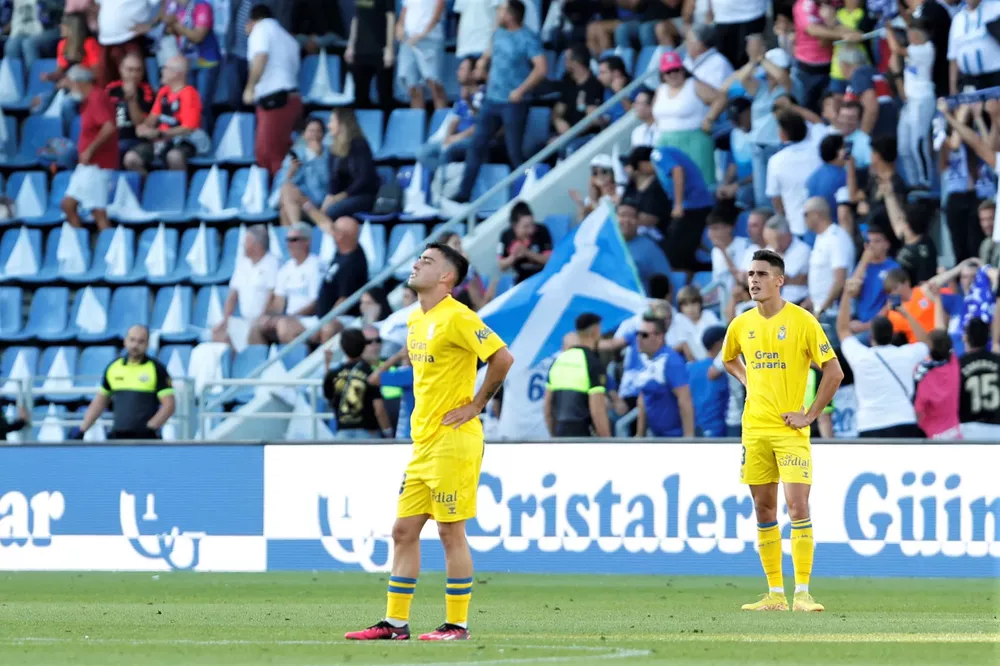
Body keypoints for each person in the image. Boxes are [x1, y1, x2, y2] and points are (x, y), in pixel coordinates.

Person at [345, 242, 514, 642]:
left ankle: (457, 625)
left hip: (454, 440)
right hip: (423, 443)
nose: (417, 263)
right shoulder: (417, 321)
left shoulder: (459, 316)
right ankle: (395, 624)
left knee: (450, 533)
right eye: (418, 258)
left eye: (428, 260)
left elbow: (502, 358)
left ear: (446, 277)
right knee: (403, 531)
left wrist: (476, 404)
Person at [722, 249, 844, 612]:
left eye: (761, 274)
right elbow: (729, 358)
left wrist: (809, 415)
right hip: (754, 429)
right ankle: (775, 594)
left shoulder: (803, 321)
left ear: (780, 280)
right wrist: (749, 381)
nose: (754, 280)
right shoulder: (740, 325)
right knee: (763, 508)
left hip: (790, 431)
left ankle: (803, 593)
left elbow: (834, 372)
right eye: (750, 274)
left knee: (797, 505)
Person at [448, 0, 547, 205]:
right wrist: (482, 64)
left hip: (513, 102)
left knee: (514, 151)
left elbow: (541, 69)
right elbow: (489, 52)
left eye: (502, 10)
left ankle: (529, 190)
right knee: (476, 145)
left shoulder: (527, 38)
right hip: (492, 100)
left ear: (511, 15)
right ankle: (463, 193)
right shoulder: (498, 33)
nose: (498, 13)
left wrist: (521, 90)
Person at [837, 279, 928, 437]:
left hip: (870, 425)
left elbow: (843, 330)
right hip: (903, 421)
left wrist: (846, 294)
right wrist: (905, 313)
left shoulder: (861, 356)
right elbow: (925, 342)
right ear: (892, 335)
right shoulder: (905, 354)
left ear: (871, 336)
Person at [74, 325, 176, 440]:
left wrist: (150, 428)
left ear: (147, 344)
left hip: (146, 440)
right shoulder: (113, 368)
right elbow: (99, 403)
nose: (135, 345)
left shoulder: (157, 369)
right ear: (125, 341)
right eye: (132, 340)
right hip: (118, 437)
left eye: (140, 341)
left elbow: (169, 405)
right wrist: (82, 430)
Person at [244, 4, 302, 175]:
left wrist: (250, 87)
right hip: (293, 100)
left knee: (268, 155)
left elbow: (261, 56)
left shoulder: (260, 30)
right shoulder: (288, 38)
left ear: (251, 21)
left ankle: (278, 199)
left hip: (275, 102)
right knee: (284, 152)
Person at [126, 55, 208, 174]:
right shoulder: (163, 92)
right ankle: (148, 186)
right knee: (131, 158)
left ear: (177, 73)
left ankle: (179, 189)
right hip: (161, 141)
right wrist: (143, 128)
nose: (162, 71)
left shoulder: (190, 94)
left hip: (184, 141)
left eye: (166, 68)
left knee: (174, 157)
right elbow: (152, 119)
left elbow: (189, 128)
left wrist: (160, 134)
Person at [60, 66, 118, 232]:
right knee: (69, 205)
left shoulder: (96, 98)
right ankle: (81, 245)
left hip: (98, 165)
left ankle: (106, 248)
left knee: (98, 212)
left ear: (79, 82)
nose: (69, 88)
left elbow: (108, 127)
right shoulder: (87, 100)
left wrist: (90, 150)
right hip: (88, 165)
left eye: (70, 83)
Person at [298, 214, 369, 344]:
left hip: (342, 318)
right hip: (320, 316)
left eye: (334, 230)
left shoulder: (353, 262)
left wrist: (325, 320)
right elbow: (325, 225)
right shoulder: (342, 251)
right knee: (284, 325)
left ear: (341, 236)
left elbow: (344, 301)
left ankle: (323, 362)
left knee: (328, 328)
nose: (332, 233)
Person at [249, 222, 323, 345]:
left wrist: (289, 317)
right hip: (289, 318)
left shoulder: (316, 266)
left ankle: (300, 361)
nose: (289, 244)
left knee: (284, 326)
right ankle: (267, 363)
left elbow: (315, 303)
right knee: (256, 327)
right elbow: (278, 303)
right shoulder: (285, 269)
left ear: (307, 242)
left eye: (294, 240)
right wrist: (269, 316)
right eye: (288, 240)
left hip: (310, 320)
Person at [652, 50, 718, 187]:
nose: (673, 74)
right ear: (663, 75)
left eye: (676, 69)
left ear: (682, 70)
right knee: (669, 183)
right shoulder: (660, 90)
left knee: (700, 182)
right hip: (666, 140)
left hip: (693, 139)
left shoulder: (694, 85)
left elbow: (720, 98)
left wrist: (709, 118)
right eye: (668, 71)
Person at [542, 312, 611, 438]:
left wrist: (554, 435)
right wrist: (608, 441)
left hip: (560, 434)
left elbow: (547, 407)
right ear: (595, 331)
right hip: (583, 436)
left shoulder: (558, 361)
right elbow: (598, 411)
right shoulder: (592, 363)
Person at [213, 225, 280, 347]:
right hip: (245, 319)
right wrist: (225, 320)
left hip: (264, 319)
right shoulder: (242, 265)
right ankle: (235, 365)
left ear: (257, 245)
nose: (243, 245)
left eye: (246, 242)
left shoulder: (272, 263)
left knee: (253, 332)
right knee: (218, 333)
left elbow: (273, 296)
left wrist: (262, 316)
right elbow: (232, 296)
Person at [323, 328, 394, 439]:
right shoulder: (369, 372)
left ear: (342, 347)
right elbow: (379, 408)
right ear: (363, 345)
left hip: (342, 433)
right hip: (368, 433)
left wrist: (327, 364)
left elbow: (329, 396)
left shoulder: (334, 373)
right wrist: (388, 432)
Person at [635, 313, 694, 438]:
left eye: (644, 335)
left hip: (674, 438)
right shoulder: (644, 359)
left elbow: (685, 400)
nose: (639, 338)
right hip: (656, 437)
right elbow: (643, 399)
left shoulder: (671, 361)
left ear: (659, 337)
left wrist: (689, 438)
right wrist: (639, 435)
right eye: (637, 333)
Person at [766, 110, 823, 237]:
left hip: (795, 226)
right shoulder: (819, 151)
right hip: (822, 223)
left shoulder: (775, 161)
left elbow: (775, 198)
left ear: (783, 134)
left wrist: (784, 219)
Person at [324, 108, 379, 220]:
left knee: (331, 211)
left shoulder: (359, 145)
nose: (328, 125)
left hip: (363, 195)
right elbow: (333, 179)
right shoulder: (333, 149)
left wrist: (341, 196)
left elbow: (364, 179)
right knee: (319, 211)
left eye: (332, 121)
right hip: (343, 197)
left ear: (342, 123)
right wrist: (329, 197)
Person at [804, 197, 855, 318]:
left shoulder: (836, 238)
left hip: (834, 313)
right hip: (822, 311)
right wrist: (811, 301)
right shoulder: (821, 238)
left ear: (816, 214)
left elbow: (840, 280)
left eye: (805, 214)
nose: (804, 219)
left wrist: (822, 309)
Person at [276, 117, 332, 227]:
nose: (315, 134)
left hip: (320, 202)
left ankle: (296, 234)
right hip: (299, 203)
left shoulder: (329, 155)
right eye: (311, 131)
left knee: (285, 210)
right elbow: (279, 189)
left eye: (318, 131)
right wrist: (291, 173)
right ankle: (299, 230)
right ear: (304, 134)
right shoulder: (295, 154)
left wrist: (315, 158)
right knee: (286, 192)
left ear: (324, 134)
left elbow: (326, 183)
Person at [396, 0, 447, 109]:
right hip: (408, 41)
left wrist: (423, 34)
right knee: (412, 87)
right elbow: (405, 8)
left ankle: (443, 124)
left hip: (430, 39)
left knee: (434, 85)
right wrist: (400, 25)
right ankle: (416, 123)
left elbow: (440, 7)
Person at [345, 0, 396, 109]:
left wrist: (389, 48)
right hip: (360, 49)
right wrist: (351, 45)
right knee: (360, 96)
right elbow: (356, 18)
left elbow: (390, 17)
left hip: (380, 49)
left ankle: (386, 124)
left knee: (384, 95)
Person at [105, 52, 155, 158]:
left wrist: (132, 99)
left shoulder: (148, 92)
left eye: (138, 70)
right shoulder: (110, 90)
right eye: (130, 70)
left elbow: (141, 124)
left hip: (137, 141)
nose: (134, 74)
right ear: (121, 69)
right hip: (113, 140)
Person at [958, 318, 1000, 440]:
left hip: (969, 429)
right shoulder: (998, 361)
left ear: (967, 338)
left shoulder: (959, 365)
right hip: (997, 428)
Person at [498, 201, 552, 285]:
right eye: (526, 227)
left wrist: (527, 252)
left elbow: (550, 260)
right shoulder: (506, 236)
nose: (531, 230)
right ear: (515, 226)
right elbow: (501, 265)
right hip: (522, 280)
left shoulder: (542, 230)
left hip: (543, 276)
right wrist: (514, 256)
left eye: (532, 224)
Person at [688, 326, 729, 437]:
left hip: (695, 428)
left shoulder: (691, 368)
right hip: (718, 428)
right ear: (719, 343)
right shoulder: (722, 371)